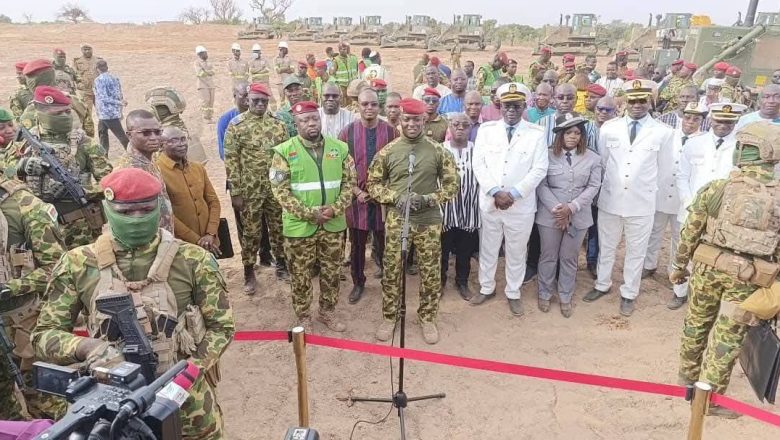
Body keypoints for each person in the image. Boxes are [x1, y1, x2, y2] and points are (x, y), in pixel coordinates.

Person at [31, 167, 235, 439]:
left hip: (185, 401)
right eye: (125, 212)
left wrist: (190, 372)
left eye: (146, 209)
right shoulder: (78, 264)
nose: (137, 218)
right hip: (114, 403)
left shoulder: (193, 260)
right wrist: (89, 347)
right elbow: (44, 335)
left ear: (159, 208)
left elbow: (222, 327)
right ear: (107, 208)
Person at [671, 122, 780, 415]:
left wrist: (679, 266)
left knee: (695, 324)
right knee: (728, 337)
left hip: (707, 269)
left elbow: (690, 232)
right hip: (748, 279)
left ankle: (687, 380)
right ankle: (710, 399)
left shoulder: (718, 188)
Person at [367, 98, 459, 344]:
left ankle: (427, 317)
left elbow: (452, 185)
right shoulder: (388, 151)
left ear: (424, 120)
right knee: (393, 269)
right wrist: (394, 197)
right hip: (398, 221)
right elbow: (373, 184)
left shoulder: (438, 150)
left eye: (416, 119)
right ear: (399, 120)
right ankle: (390, 316)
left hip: (429, 221)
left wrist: (429, 198)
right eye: (406, 119)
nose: (411, 124)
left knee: (430, 271)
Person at [583, 79, 675, 317]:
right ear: (626, 102)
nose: (637, 104)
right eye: (632, 100)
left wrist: (641, 188)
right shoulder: (610, 128)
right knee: (607, 246)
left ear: (650, 102)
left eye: (642, 100)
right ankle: (602, 284)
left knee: (636, 250)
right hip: (610, 199)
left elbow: (664, 171)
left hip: (641, 203)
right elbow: (603, 162)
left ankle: (629, 293)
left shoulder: (664, 133)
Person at [269, 101, 355, 331]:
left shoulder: (340, 148)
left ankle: (327, 311)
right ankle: (304, 315)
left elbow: (350, 184)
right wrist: (310, 214)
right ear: (296, 124)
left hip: (333, 224)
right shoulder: (284, 152)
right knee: (300, 275)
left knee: (332, 272)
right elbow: (280, 191)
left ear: (320, 120)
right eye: (304, 120)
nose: (311, 124)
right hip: (299, 227)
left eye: (314, 119)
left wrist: (335, 209)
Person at [470, 82, 548, 316]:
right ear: (499, 106)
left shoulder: (536, 133)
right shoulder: (487, 130)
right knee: (488, 248)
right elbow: (479, 164)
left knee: (516, 250)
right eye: (506, 105)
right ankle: (487, 287)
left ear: (525, 105)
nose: (511, 110)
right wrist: (495, 191)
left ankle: (513, 292)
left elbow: (539, 168)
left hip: (520, 205)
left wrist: (513, 194)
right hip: (491, 202)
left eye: (516, 105)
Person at [6, 86, 111, 249]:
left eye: (67, 112)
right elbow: (4, 178)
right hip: (37, 229)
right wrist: (21, 166)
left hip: (79, 230)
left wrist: (83, 190)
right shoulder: (23, 142)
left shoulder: (85, 144)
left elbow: (110, 184)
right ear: (40, 114)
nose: (64, 117)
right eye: (57, 114)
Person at [0, 174, 67, 421]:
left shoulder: (24, 205)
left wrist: (12, 287)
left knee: (45, 401)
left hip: (20, 324)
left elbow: (57, 267)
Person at [225, 83, 290, 292]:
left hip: (274, 188)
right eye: (255, 100)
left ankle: (281, 265)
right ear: (247, 100)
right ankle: (248, 271)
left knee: (279, 228)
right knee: (252, 232)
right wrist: (236, 192)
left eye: (264, 100)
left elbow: (286, 156)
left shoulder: (278, 124)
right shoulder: (237, 125)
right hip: (249, 190)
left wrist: (284, 186)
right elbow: (231, 160)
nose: (260, 104)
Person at [536, 113, 601, 317]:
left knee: (569, 257)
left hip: (578, 216)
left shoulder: (593, 158)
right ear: (560, 135)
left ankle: (565, 295)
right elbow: (541, 184)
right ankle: (544, 293)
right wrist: (558, 208)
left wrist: (571, 208)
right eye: (568, 132)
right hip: (550, 215)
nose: (573, 136)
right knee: (548, 256)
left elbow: (593, 186)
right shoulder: (546, 155)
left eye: (577, 133)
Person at [644, 103, 708, 310]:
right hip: (661, 195)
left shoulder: (704, 142)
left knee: (680, 244)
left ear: (701, 121)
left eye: (695, 119)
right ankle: (649, 265)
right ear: (681, 117)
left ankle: (678, 287)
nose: (690, 122)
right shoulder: (668, 135)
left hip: (687, 204)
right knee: (653, 234)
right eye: (687, 118)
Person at [338, 89, 397, 304]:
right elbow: (342, 169)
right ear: (358, 106)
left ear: (379, 106)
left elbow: (396, 166)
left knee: (385, 242)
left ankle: (388, 282)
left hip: (383, 201)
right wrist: (357, 192)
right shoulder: (346, 134)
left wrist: (383, 192)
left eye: (373, 104)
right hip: (357, 201)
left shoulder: (391, 132)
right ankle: (358, 282)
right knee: (357, 245)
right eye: (365, 104)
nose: (369, 108)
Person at [678, 103, 747, 222]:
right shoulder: (694, 143)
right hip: (691, 209)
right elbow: (682, 176)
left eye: (728, 122)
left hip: (724, 212)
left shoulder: (742, 147)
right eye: (718, 121)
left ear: (736, 122)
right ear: (711, 119)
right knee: (683, 240)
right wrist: (688, 203)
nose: (723, 125)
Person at [157, 126, 221, 253]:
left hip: (210, 241)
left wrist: (211, 233)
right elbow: (165, 215)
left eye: (183, 139)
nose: (181, 144)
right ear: (161, 145)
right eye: (173, 140)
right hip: (181, 245)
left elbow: (213, 202)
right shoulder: (157, 172)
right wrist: (197, 240)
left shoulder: (198, 168)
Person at [114, 110, 174, 233]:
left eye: (157, 132)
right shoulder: (127, 171)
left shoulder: (150, 159)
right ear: (129, 135)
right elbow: (130, 220)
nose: (154, 138)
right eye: (145, 133)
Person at [441, 113, 480, 300]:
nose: (460, 128)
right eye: (456, 124)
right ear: (449, 126)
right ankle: (440, 281)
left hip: (469, 209)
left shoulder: (478, 150)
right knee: (442, 250)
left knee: (465, 250)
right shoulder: (440, 150)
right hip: (445, 211)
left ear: (471, 127)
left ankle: (462, 282)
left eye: (465, 125)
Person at [585, 96, 618, 277]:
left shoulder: (618, 131)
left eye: (607, 110)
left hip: (610, 186)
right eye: (599, 108)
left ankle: (595, 260)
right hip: (587, 186)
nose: (602, 112)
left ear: (615, 111)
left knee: (601, 227)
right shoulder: (585, 127)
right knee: (587, 225)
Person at [20, 59, 94, 138]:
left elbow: (25, 140)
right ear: (53, 78)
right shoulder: (75, 101)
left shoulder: (30, 110)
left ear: (31, 83)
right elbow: (89, 131)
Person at [537, 83, 597, 151]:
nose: (565, 101)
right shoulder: (540, 124)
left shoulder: (588, 125)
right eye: (560, 97)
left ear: (576, 99)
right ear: (553, 99)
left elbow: (592, 155)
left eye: (570, 98)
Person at [93, 59, 129, 152]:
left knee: (121, 136)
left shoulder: (98, 80)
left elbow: (103, 98)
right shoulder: (114, 78)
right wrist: (120, 106)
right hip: (111, 112)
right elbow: (119, 93)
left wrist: (119, 103)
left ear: (97, 69)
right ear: (107, 67)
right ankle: (104, 156)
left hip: (106, 113)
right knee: (102, 133)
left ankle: (132, 153)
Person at [217, 81, 249, 161]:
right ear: (235, 96)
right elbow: (223, 152)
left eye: (250, 95)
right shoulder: (225, 120)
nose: (248, 99)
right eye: (244, 95)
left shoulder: (260, 115)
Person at [72, 43, 102, 113]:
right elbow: (75, 75)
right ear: (82, 50)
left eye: (89, 49)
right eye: (85, 50)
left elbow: (103, 73)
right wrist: (79, 84)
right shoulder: (77, 62)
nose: (87, 51)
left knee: (101, 111)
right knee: (87, 112)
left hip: (98, 91)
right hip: (86, 92)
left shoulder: (98, 60)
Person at [194, 46, 216, 122]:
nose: (206, 54)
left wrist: (206, 71)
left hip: (211, 85)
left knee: (211, 101)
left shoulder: (209, 62)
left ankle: (210, 117)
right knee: (205, 101)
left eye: (206, 53)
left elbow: (213, 71)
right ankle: (205, 118)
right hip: (202, 85)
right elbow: (200, 73)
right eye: (205, 53)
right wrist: (208, 72)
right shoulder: (197, 63)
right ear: (200, 54)